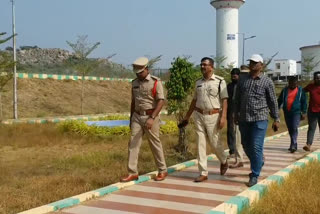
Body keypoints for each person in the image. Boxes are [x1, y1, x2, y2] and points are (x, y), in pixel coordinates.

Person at [179, 57, 229, 182]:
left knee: (214, 142)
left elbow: (225, 100)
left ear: (211, 67)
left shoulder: (219, 81)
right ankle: (203, 172)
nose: (202, 67)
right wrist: (187, 116)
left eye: (205, 65)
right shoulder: (198, 82)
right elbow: (194, 101)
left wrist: (223, 117)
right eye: (201, 64)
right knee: (200, 143)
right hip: (199, 115)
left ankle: (223, 160)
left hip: (214, 115)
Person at [235, 54, 280, 187]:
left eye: (255, 63)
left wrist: (276, 118)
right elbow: (237, 99)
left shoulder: (267, 81)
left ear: (261, 65)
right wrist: (235, 114)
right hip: (244, 118)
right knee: (245, 145)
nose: (252, 65)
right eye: (251, 62)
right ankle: (258, 161)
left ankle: (254, 174)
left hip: (259, 118)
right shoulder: (243, 80)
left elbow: (273, 101)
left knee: (256, 146)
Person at [120, 57, 168, 182]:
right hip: (137, 116)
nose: (139, 74)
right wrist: (131, 119)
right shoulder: (134, 82)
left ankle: (162, 170)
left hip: (150, 116)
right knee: (133, 143)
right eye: (137, 73)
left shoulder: (155, 82)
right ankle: (132, 172)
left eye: (141, 72)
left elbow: (161, 101)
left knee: (154, 143)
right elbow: (133, 101)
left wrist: (152, 118)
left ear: (146, 69)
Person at [277, 76, 307, 153]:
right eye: (291, 83)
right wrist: (276, 108)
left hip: (296, 112)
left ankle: (293, 145)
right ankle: (294, 143)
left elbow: (304, 102)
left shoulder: (300, 91)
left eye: (295, 83)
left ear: (297, 83)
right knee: (290, 128)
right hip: (287, 112)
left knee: (294, 127)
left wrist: (304, 112)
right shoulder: (284, 91)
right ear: (289, 83)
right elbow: (279, 100)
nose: (293, 85)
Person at [227, 68, 245, 168]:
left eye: (236, 74)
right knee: (233, 135)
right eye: (232, 74)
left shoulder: (242, 85)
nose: (234, 76)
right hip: (232, 114)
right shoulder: (229, 86)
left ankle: (258, 157)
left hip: (244, 115)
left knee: (245, 138)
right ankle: (237, 157)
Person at [302, 71, 320, 151]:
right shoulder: (310, 86)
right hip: (312, 111)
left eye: (319, 78)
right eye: (316, 78)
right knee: (311, 128)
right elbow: (302, 91)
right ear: (314, 79)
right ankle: (308, 144)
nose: (318, 79)